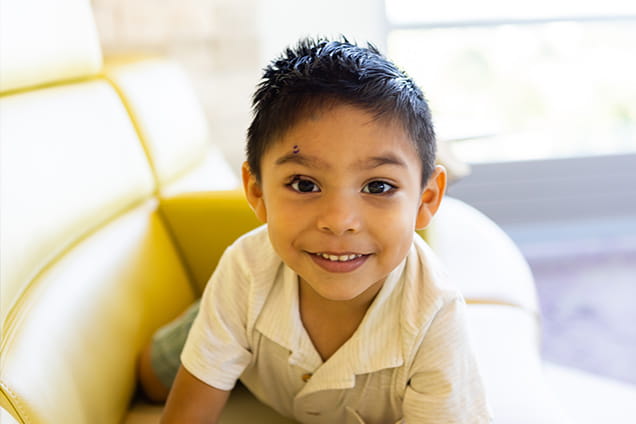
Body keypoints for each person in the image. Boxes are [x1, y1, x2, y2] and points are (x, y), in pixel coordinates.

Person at [158, 36, 491, 423]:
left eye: (378, 186)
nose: (339, 220)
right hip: (237, 316)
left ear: (426, 199)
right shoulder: (245, 270)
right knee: (150, 377)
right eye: (304, 184)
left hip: (254, 333)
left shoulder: (434, 314)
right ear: (256, 190)